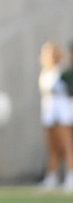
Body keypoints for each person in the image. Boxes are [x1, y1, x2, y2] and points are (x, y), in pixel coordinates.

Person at [38, 41, 73, 193]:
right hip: (49, 111)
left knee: (66, 145)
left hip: (62, 111)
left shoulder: (64, 72)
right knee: (52, 146)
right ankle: (52, 176)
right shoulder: (45, 72)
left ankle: (70, 176)